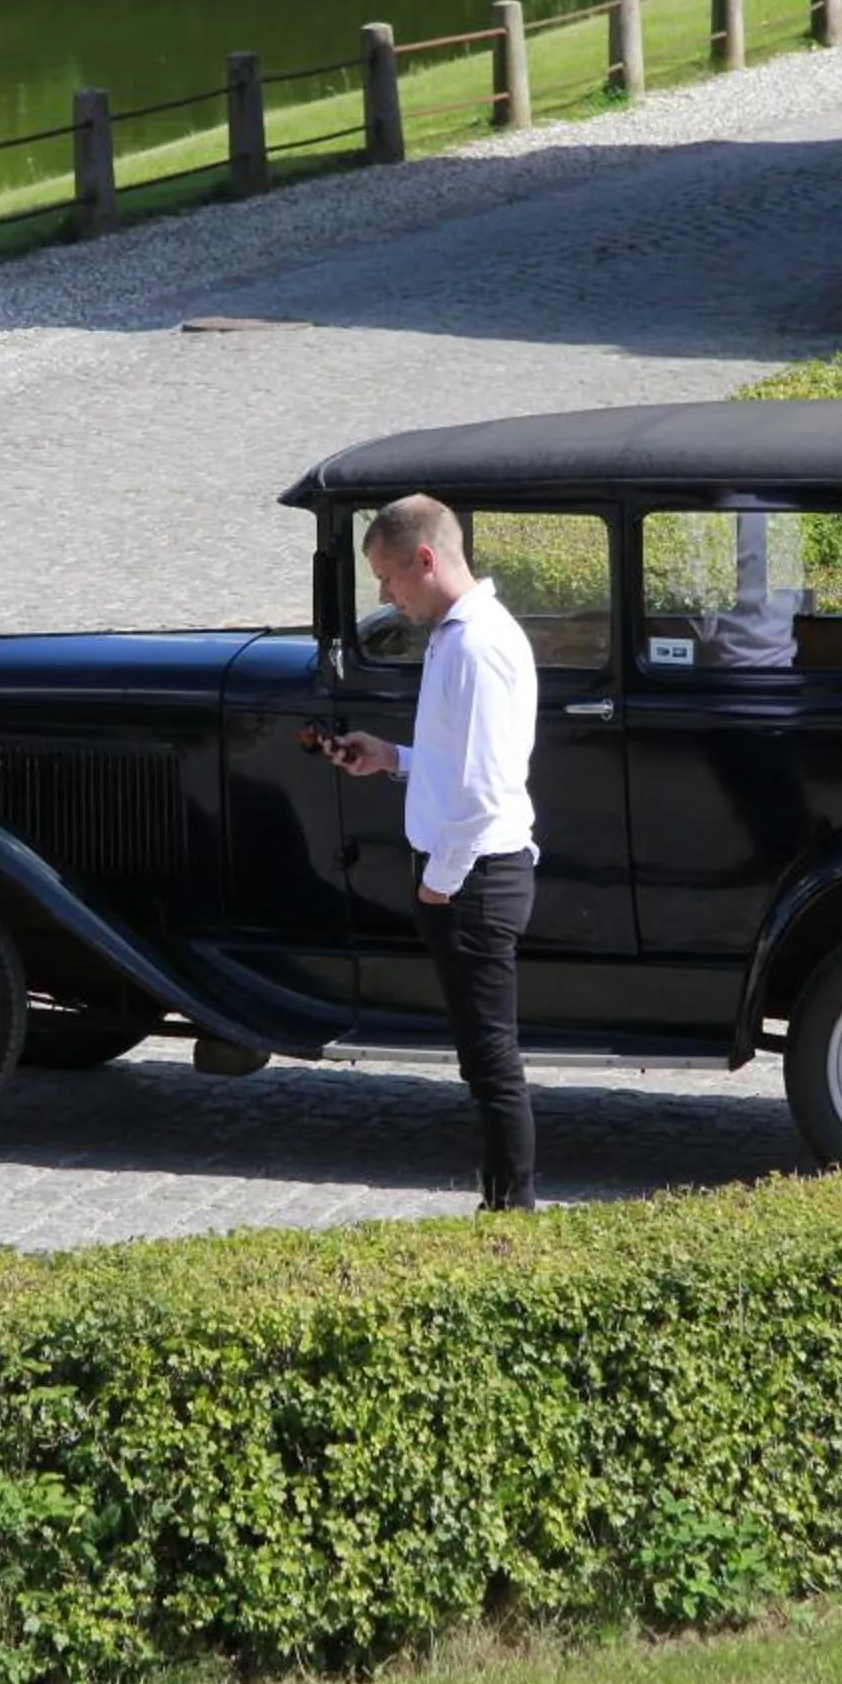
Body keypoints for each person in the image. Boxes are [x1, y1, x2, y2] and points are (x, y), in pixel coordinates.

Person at [322, 496, 542, 1211]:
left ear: (425, 559)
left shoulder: (475, 644)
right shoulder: (461, 635)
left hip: (474, 876)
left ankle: (511, 1212)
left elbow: (481, 789)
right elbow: (460, 761)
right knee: (484, 1058)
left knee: (491, 1063)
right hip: (472, 871)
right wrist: (392, 757)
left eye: (387, 578)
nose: (384, 595)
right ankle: (505, 1205)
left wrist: (440, 884)